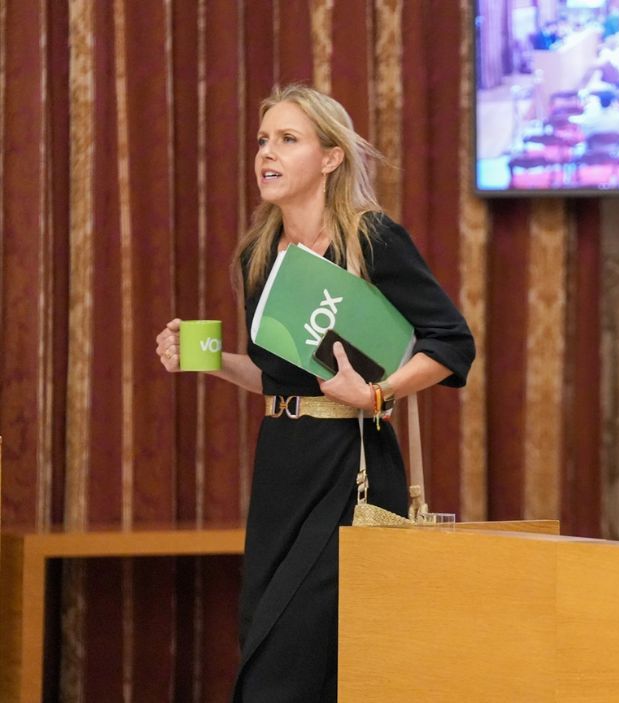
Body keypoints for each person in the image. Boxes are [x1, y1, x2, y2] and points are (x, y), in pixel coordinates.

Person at [154, 84, 475, 700]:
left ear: (330, 158)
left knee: (292, 666)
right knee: (265, 639)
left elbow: (452, 344)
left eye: (287, 140)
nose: (266, 153)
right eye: (262, 140)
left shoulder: (372, 238)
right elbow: (279, 382)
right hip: (281, 468)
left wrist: (378, 394)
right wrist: (213, 361)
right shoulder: (256, 252)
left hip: (349, 469)